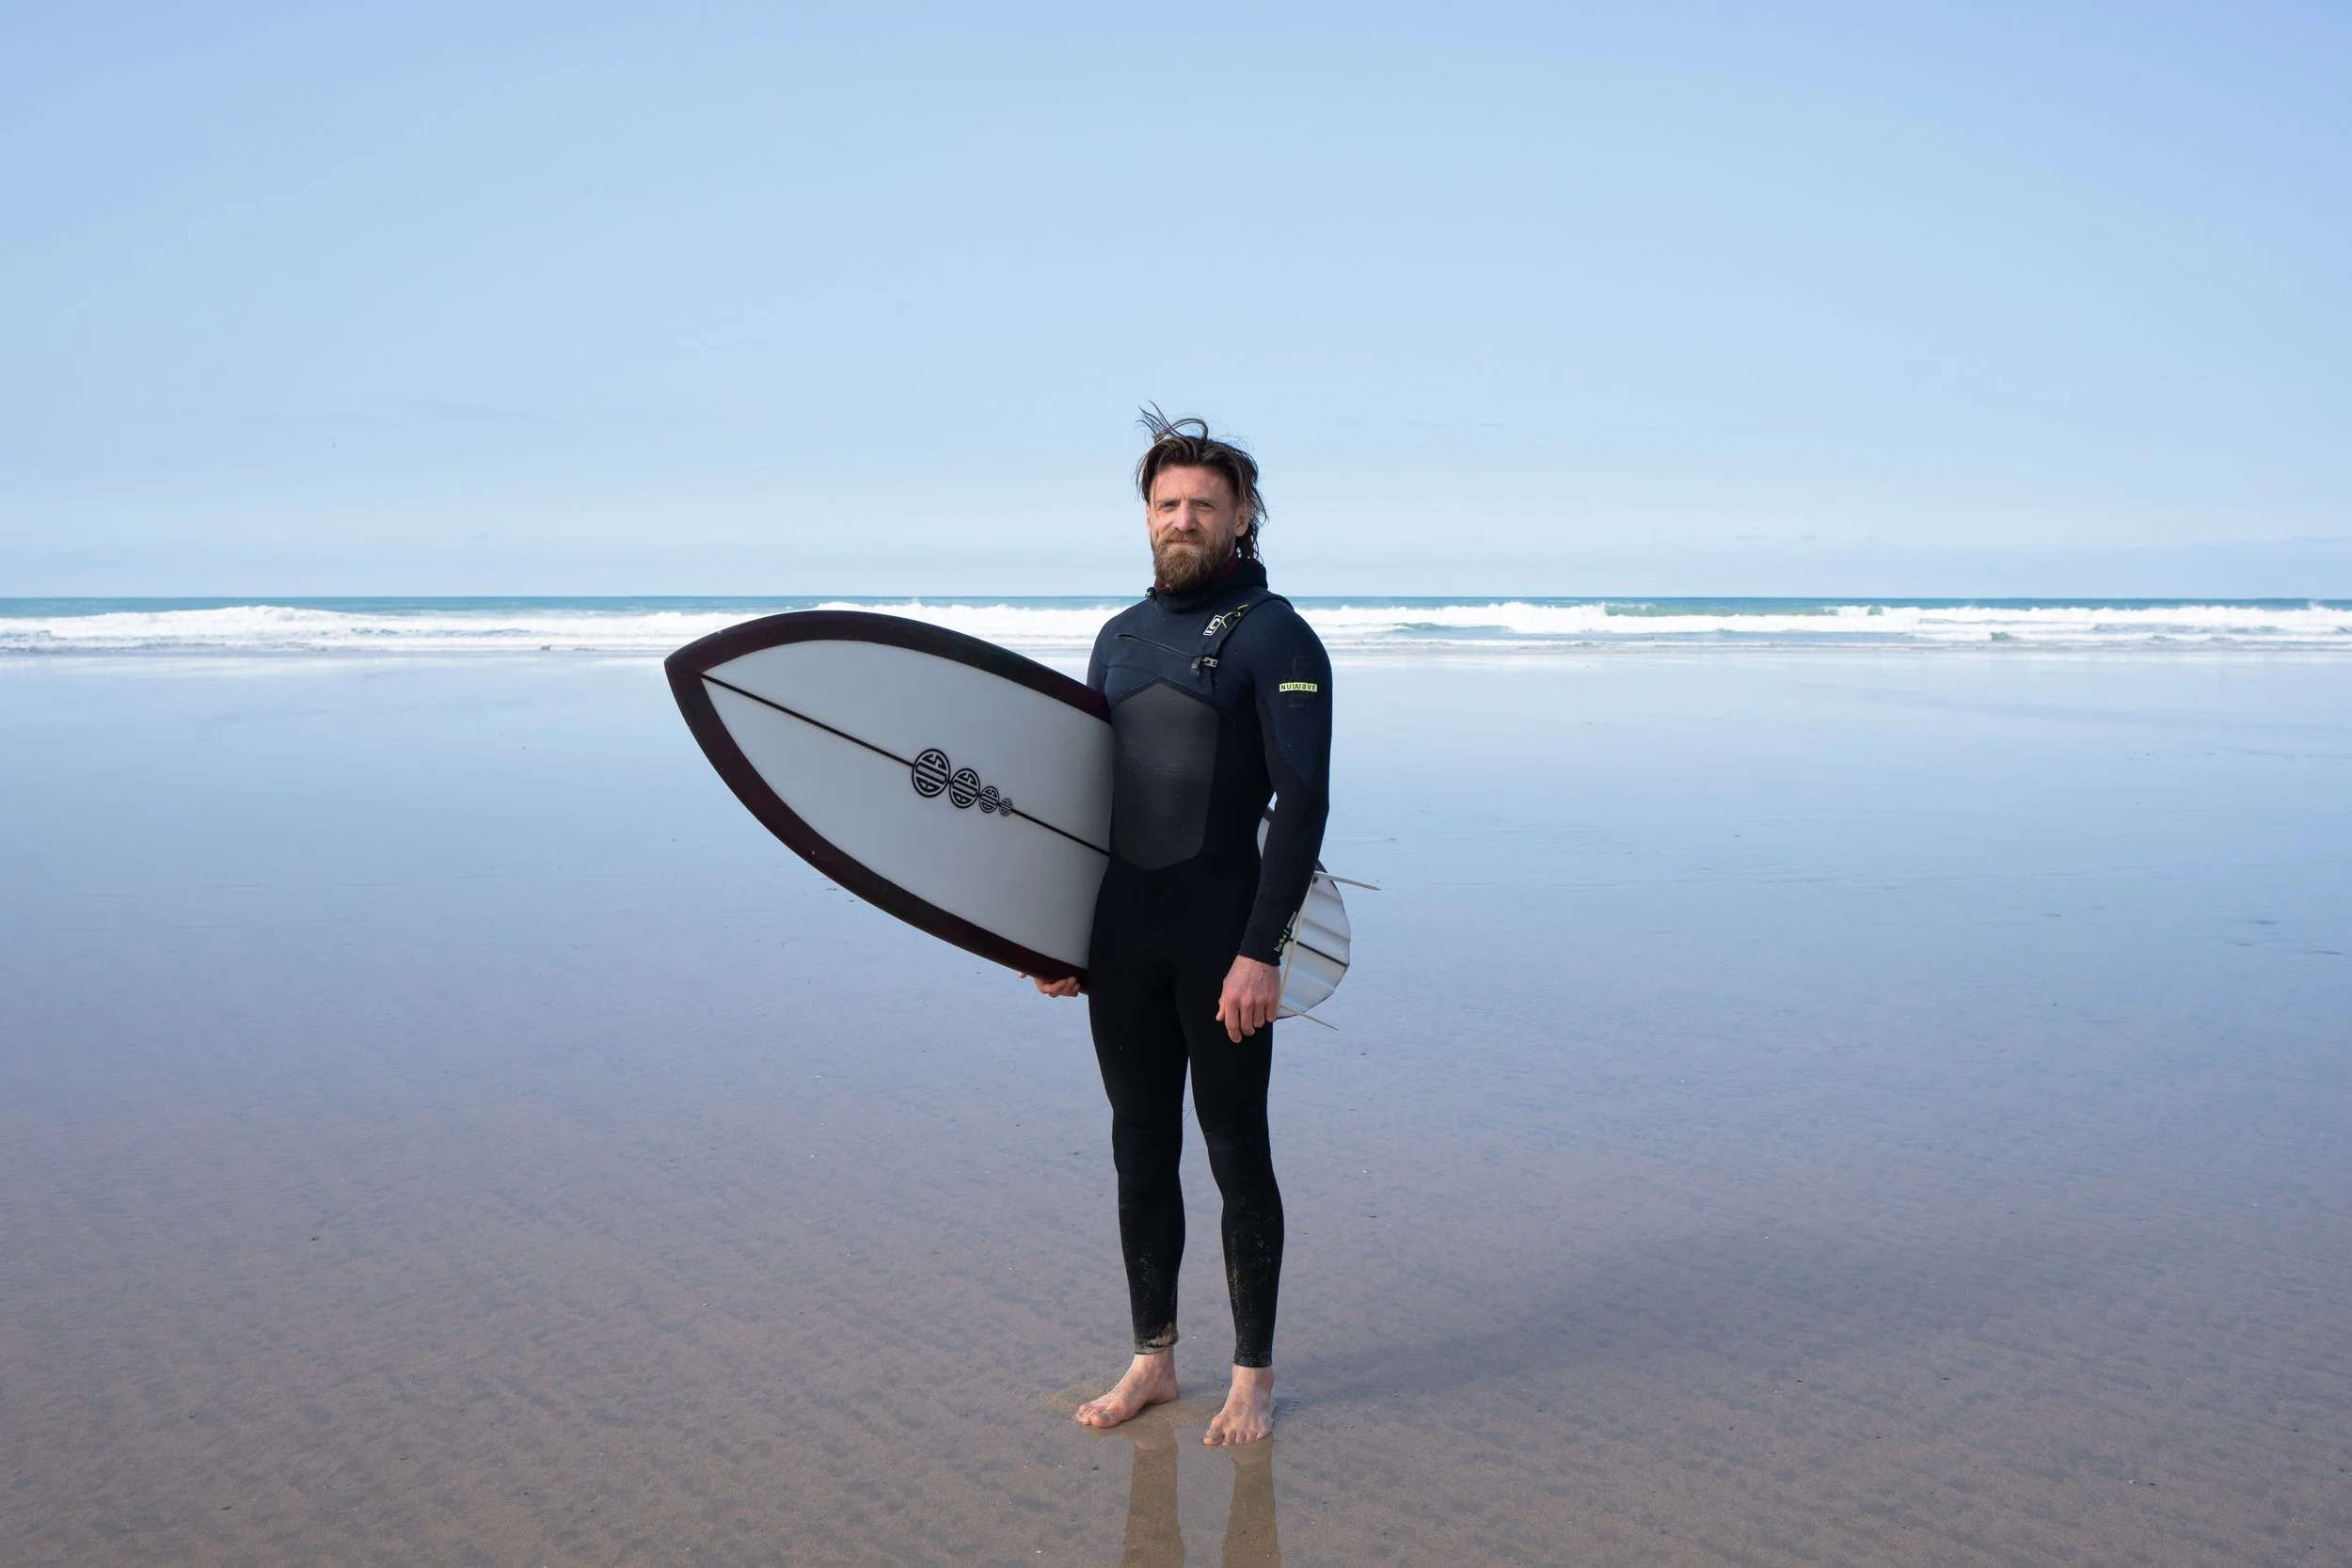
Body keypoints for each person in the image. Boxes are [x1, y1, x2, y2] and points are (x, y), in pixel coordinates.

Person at [1031, 410, 1333, 1446]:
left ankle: (1252, 1373)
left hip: (1221, 937)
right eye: (1167, 503)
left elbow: (1303, 802)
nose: (1184, 519)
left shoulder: (1277, 636)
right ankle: (1152, 1358)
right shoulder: (1118, 637)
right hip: (1121, 938)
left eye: (1205, 503)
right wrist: (1053, 936)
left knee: (1236, 1147)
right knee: (1138, 1146)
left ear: (1242, 516)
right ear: (1147, 515)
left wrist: (1262, 950)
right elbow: (1079, 800)